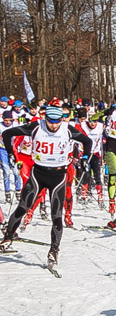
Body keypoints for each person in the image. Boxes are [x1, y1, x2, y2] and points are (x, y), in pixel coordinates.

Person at [0, 105, 94, 270]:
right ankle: (8, 237)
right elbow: (7, 134)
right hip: (38, 174)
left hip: (58, 177)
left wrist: (85, 157)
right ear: (46, 119)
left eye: (57, 121)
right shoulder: (36, 126)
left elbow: (87, 141)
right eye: (51, 121)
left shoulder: (67, 129)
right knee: (23, 207)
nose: (54, 125)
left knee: (56, 215)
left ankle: (54, 250)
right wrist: (10, 153)